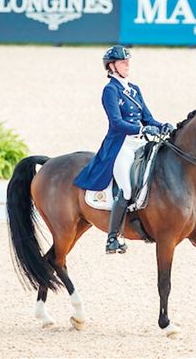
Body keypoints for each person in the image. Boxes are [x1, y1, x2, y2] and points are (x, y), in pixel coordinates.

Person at [73, 45, 174, 254]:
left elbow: (147, 117)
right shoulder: (110, 90)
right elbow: (116, 122)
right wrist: (142, 129)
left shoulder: (134, 89)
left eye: (128, 61)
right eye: (122, 62)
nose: (127, 65)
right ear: (112, 66)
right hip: (121, 146)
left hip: (141, 143)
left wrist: (162, 125)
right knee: (127, 188)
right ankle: (112, 239)